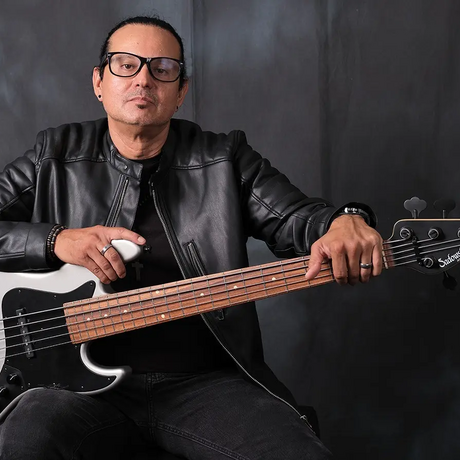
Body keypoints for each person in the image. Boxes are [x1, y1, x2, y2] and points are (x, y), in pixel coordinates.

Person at [0, 15, 382, 460]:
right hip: (67, 389)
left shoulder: (225, 158)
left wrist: (346, 219)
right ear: (99, 82)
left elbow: (298, 219)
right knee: (23, 441)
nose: (144, 79)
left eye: (163, 68)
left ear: (181, 91)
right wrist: (55, 240)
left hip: (204, 384)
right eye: (126, 64)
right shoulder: (54, 154)